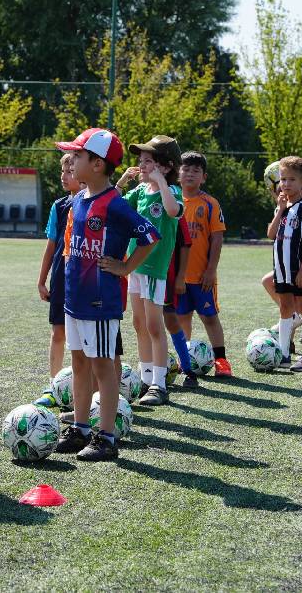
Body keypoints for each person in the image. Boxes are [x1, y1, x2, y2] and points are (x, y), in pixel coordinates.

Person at [51, 128, 158, 461]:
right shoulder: (78, 199)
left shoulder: (115, 203)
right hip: (74, 301)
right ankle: (81, 428)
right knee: (79, 365)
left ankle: (107, 437)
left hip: (100, 303)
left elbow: (150, 236)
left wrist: (126, 268)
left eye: (79, 156)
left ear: (97, 165)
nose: (73, 161)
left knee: (103, 368)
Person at [116, 135, 184, 406]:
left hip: (155, 270)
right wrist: (123, 181)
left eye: (148, 162)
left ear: (165, 167)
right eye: (140, 162)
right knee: (138, 323)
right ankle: (145, 379)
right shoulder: (140, 192)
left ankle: (159, 383)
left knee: (155, 326)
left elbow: (172, 210)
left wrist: (163, 183)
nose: (141, 166)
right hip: (135, 266)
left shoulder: (172, 192)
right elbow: (116, 203)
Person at [174, 152, 232, 377]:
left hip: (201, 276)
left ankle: (221, 361)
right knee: (182, 317)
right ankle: (185, 360)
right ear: (178, 173)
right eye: (186, 169)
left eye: (195, 170)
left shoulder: (210, 203)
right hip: (178, 275)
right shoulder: (172, 200)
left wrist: (211, 270)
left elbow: (217, 238)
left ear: (204, 177)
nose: (190, 174)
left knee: (209, 317)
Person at [34, 154, 81, 407]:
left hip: (83, 277)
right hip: (61, 276)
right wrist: (42, 280)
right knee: (58, 332)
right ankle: (54, 385)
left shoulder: (93, 202)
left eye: (70, 170)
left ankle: (81, 386)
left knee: (81, 337)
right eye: (62, 170)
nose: (64, 175)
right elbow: (51, 246)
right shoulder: (59, 206)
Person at [268, 156, 302, 372]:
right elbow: (271, 234)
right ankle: (283, 354)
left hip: (298, 268)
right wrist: (280, 209)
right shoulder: (282, 207)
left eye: (292, 179)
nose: (286, 184)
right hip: (280, 269)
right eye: (283, 179)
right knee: (285, 307)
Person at [162, 216, 195, 388]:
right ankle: (151, 373)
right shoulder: (141, 197)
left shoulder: (174, 207)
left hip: (167, 275)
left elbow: (185, 245)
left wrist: (181, 276)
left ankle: (188, 369)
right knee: (144, 323)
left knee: (171, 320)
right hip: (142, 273)